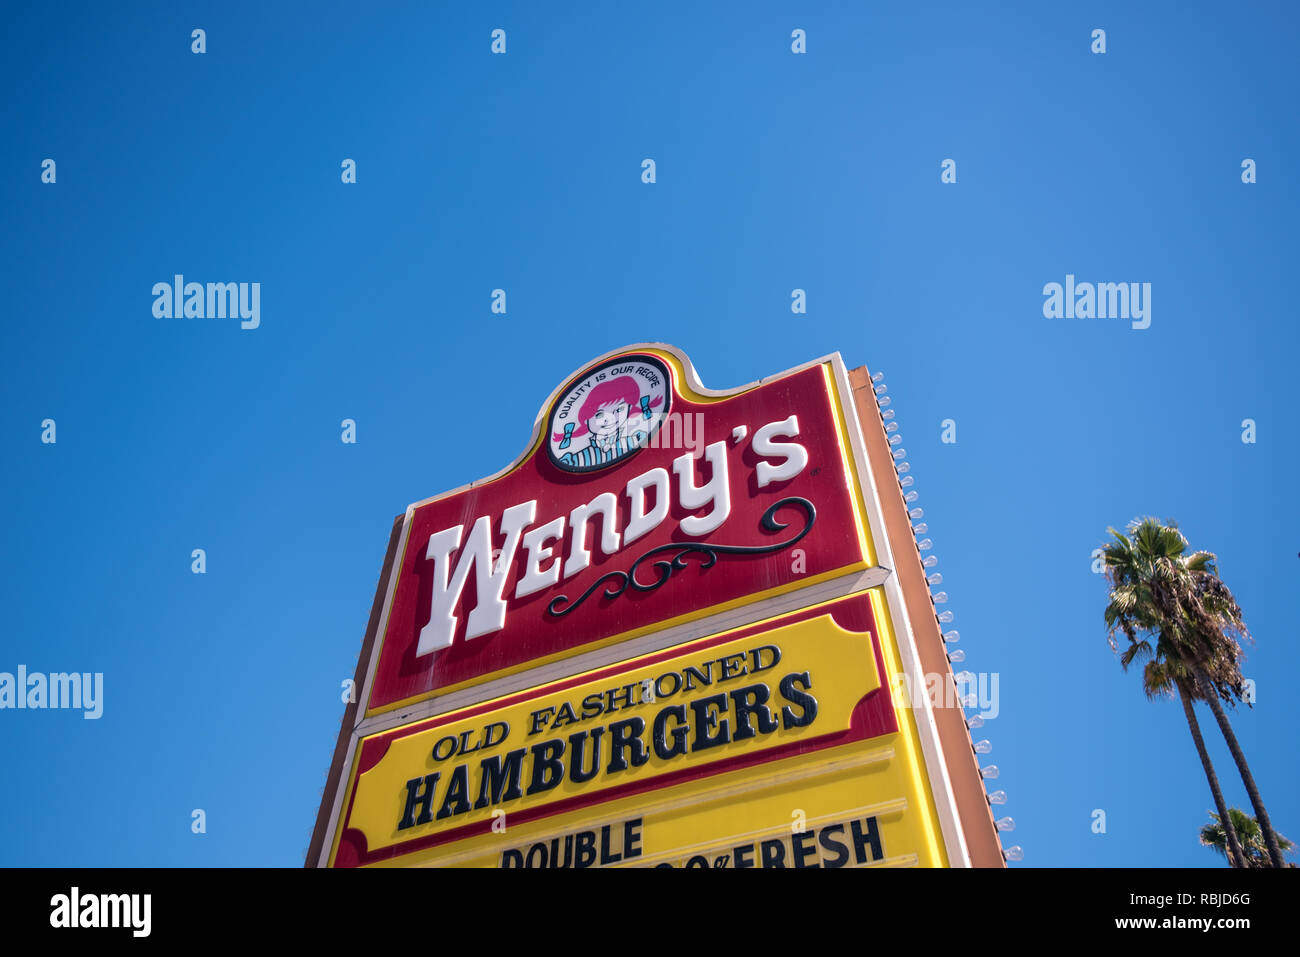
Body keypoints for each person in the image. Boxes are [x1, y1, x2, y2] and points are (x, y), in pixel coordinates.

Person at [553, 376, 662, 469]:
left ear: (629, 409)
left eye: (619, 410)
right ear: (586, 420)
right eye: (599, 414)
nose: (610, 418)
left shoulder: (636, 440)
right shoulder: (576, 460)